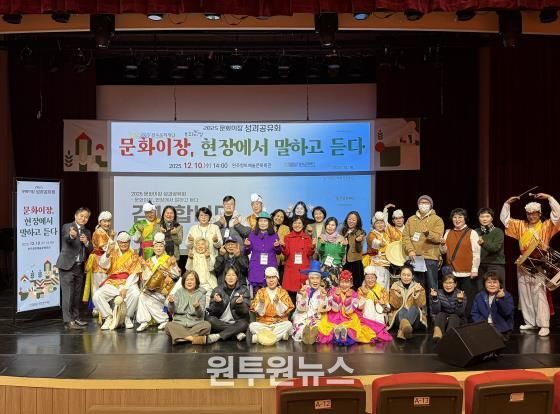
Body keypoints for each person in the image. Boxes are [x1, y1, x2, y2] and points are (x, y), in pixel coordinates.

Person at [500, 192, 560, 337]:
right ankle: (531, 322)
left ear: (539, 214)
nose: (531, 216)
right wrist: (507, 203)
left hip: (540, 263)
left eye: (534, 213)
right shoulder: (521, 225)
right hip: (523, 262)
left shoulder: (546, 226)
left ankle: (544, 324)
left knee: (539, 294)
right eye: (529, 214)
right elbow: (505, 220)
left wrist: (550, 198)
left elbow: (557, 215)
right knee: (524, 293)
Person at [317, 270, 391, 345]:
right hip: (334, 316)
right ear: (339, 283)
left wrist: (350, 299)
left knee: (354, 328)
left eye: (347, 282)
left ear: (351, 284)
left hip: (349, 316)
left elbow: (350, 311)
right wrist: (336, 296)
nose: (344, 285)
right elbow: (334, 309)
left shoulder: (353, 293)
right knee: (330, 327)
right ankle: (338, 332)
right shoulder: (333, 290)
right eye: (342, 282)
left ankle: (343, 333)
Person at [402, 195, 444, 315]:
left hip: (430, 258)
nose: (423, 205)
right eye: (421, 202)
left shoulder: (437, 219)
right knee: (417, 288)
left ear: (431, 205)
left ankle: (434, 315)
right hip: (415, 258)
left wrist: (427, 233)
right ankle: (420, 315)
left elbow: (438, 238)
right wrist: (410, 250)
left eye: (426, 203)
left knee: (432, 287)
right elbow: (405, 237)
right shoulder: (411, 219)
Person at [93, 231, 143, 330]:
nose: (123, 244)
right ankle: (109, 317)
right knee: (97, 295)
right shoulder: (112, 252)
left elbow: (134, 274)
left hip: (128, 282)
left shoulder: (134, 255)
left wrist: (126, 288)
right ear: (118, 242)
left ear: (129, 242)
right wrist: (107, 254)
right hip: (113, 282)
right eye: (121, 242)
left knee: (136, 293)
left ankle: (127, 317)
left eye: (126, 242)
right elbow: (103, 265)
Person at [56, 207, 93, 330]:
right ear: (75, 216)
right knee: (68, 295)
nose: (83, 219)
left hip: (79, 267)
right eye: (81, 216)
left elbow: (90, 249)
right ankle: (68, 321)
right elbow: (67, 238)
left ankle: (76, 318)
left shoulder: (87, 232)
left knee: (77, 295)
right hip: (67, 266)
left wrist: (86, 242)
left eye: (86, 217)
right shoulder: (68, 227)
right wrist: (72, 236)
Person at [440, 208, 480, 320]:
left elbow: (476, 253)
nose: (457, 220)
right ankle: (454, 320)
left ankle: (466, 321)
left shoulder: (472, 232)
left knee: (468, 298)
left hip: (468, 272)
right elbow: (443, 251)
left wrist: (475, 269)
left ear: (465, 218)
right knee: (452, 299)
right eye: (455, 217)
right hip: (452, 272)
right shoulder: (448, 232)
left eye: (460, 217)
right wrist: (442, 244)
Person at [136, 232, 181, 332]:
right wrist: (144, 267)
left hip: (165, 290)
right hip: (153, 289)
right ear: (153, 248)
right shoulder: (149, 260)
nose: (158, 248)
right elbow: (145, 277)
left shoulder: (169, 259)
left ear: (164, 247)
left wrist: (171, 269)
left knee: (148, 300)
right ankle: (144, 321)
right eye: (156, 246)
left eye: (161, 246)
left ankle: (163, 320)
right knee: (142, 296)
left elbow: (176, 276)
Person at [205, 266, 251, 343]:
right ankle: (236, 332)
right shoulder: (217, 290)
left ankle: (218, 336)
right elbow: (212, 312)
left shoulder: (244, 290)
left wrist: (239, 304)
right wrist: (218, 303)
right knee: (210, 320)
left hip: (237, 321)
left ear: (237, 277)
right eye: (228, 275)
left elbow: (245, 312)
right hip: (220, 321)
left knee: (244, 323)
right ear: (225, 277)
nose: (231, 278)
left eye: (233, 275)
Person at [249, 267, 294, 345]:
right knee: (252, 326)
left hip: (279, 323)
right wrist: (261, 303)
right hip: (264, 324)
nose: (271, 280)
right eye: (268, 278)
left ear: (277, 278)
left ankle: (261, 338)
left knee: (289, 325)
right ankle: (279, 337)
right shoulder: (261, 292)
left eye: (273, 277)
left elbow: (283, 313)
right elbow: (260, 313)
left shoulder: (283, 292)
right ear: (265, 279)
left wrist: (278, 302)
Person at [164, 271, 211, 345]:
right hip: (179, 324)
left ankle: (179, 338)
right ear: (184, 281)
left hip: (195, 325)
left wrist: (197, 307)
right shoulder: (178, 292)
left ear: (196, 281)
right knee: (168, 326)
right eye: (187, 280)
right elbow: (172, 311)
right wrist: (171, 303)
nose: (189, 282)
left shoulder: (201, 294)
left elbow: (200, 315)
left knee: (207, 325)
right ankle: (192, 339)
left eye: (192, 280)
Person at [83, 211, 115, 316]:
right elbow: (105, 247)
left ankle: (101, 308)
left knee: (102, 285)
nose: (107, 223)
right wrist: (113, 240)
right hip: (98, 261)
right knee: (98, 285)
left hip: (104, 260)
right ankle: (97, 309)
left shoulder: (106, 232)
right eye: (104, 221)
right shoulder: (99, 232)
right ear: (100, 222)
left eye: (109, 221)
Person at [291, 261, 330, 344]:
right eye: (312, 278)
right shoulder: (303, 290)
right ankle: (306, 335)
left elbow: (323, 310)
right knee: (299, 326)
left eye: (317, 278)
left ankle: (312, 336)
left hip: (316, 318)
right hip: (302, 316)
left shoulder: (322, 291)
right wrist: (303, 296)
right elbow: (300, 309)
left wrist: (323, 298)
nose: (315, 281)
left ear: (320, 280)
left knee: (321, 327)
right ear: (308, 279)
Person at [388, 264, 428, 340]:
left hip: (415, 320)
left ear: (412, 276)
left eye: (408, 275)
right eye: (404, 275)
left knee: (414, 307)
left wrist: (416, 294)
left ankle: (402, 330)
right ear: (400, 275)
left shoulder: (418, 287)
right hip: (398, 317)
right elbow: (395, 305)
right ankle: (405, 328)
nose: (406, 277)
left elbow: (421, 305)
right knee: (402, 309)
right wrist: (398, 294)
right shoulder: (395, 286)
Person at [244, 211, 282, 292]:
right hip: (256, 269)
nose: (263, 223)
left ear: (269, 223)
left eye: (265, 221)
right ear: (258, 223)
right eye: (260, 221)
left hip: (270, 267)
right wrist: (247, 246)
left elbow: (278, 252)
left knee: (270, 295)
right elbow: (246, 252)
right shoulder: (252, 235)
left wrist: (277, 246)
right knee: (257, 296)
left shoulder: (274, 235)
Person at [363, 211, 401, 291]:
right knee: (378, 284)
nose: (380, 225)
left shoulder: (386, 234)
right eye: (377, 223)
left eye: (382, 223)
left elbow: (396, 238)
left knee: (385, 284)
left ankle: (384, 298)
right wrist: (379, 243)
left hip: (386, 263)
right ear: (374, 225)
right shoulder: (372, 233)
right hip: (375, 263)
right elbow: (372, 242)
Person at [471, 271, 514, 341]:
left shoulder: (506, 296)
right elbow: (475, 313)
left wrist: (499, 299)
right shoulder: (479, 296)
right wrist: (483, 325)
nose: (492, 285)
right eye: (489, 282)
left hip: (500, 329)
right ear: (484, 284)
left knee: (490, 338)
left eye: (495, 282)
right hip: (483, 327)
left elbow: (507, 312)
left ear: (500, 284)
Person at [281, 217, 315, 304]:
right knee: (290, 297)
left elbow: (309, 254)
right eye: (295, 223)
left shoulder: (307, 238)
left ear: (303, 225)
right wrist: (283, 247)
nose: (297, 225)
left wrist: (312, 247)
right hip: (291, 270)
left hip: (303, 269)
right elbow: (286, 254)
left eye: (299, 223)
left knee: (303, 297)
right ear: (292, 225)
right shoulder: (287, 237)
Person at [430, 274, 466, 342]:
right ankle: (438, 334)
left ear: (455, 284)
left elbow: (460, 313)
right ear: (442, 284)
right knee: (440, 314)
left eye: (450, 283)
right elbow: (436, 311)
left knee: (454, 316)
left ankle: (449, 336)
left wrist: (460, 301)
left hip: (456, 319)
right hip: (442, 319)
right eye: (445, 283)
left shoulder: (460, 294)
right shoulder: (438, 293)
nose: (448, 285)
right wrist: (435, 298)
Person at [475, 207, 505, 288]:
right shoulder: (476, 231)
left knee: (497, 289)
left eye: (487, 216)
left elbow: (495, 248)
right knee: (481, 290)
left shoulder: (498, 231)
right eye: (482, 216)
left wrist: (483, 243)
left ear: (492, 218)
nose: (484, 219)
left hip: (495, 264)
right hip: (480, 265)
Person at [317, 217, 347, 287]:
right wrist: (322, 245)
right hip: (324, 266)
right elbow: (320, 252)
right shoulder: (321, 237)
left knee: (334, 289)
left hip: (336, 267)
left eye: (333, 225)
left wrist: (343, 246)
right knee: (324, 288)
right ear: (325, 226)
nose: (330, 227)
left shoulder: (340, 238)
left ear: (336, 227)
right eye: (328, 224)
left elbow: (341, 255)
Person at [185, 237, 217, 306]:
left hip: (208, 285)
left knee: (207, 305)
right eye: (198, 244)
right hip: (195, 285)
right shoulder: (192, 255)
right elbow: (188, 269)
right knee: (195, 304)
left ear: (206, 247)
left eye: (202, 244)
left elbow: (211, 269)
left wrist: (207, 258)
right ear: (195, 246)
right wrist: (190, 258)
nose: (200, 246)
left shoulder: (211, 256)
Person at [341, 211, 366, 290]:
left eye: (354, 220)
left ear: (357, 222)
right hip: (344, 262)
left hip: (355, 263)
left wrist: (357, 241)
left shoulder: (360, 232)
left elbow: (359, 250)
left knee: (356, 286)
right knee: (344, 285)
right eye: (349, 219)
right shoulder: (343, 231)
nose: (351, 221)